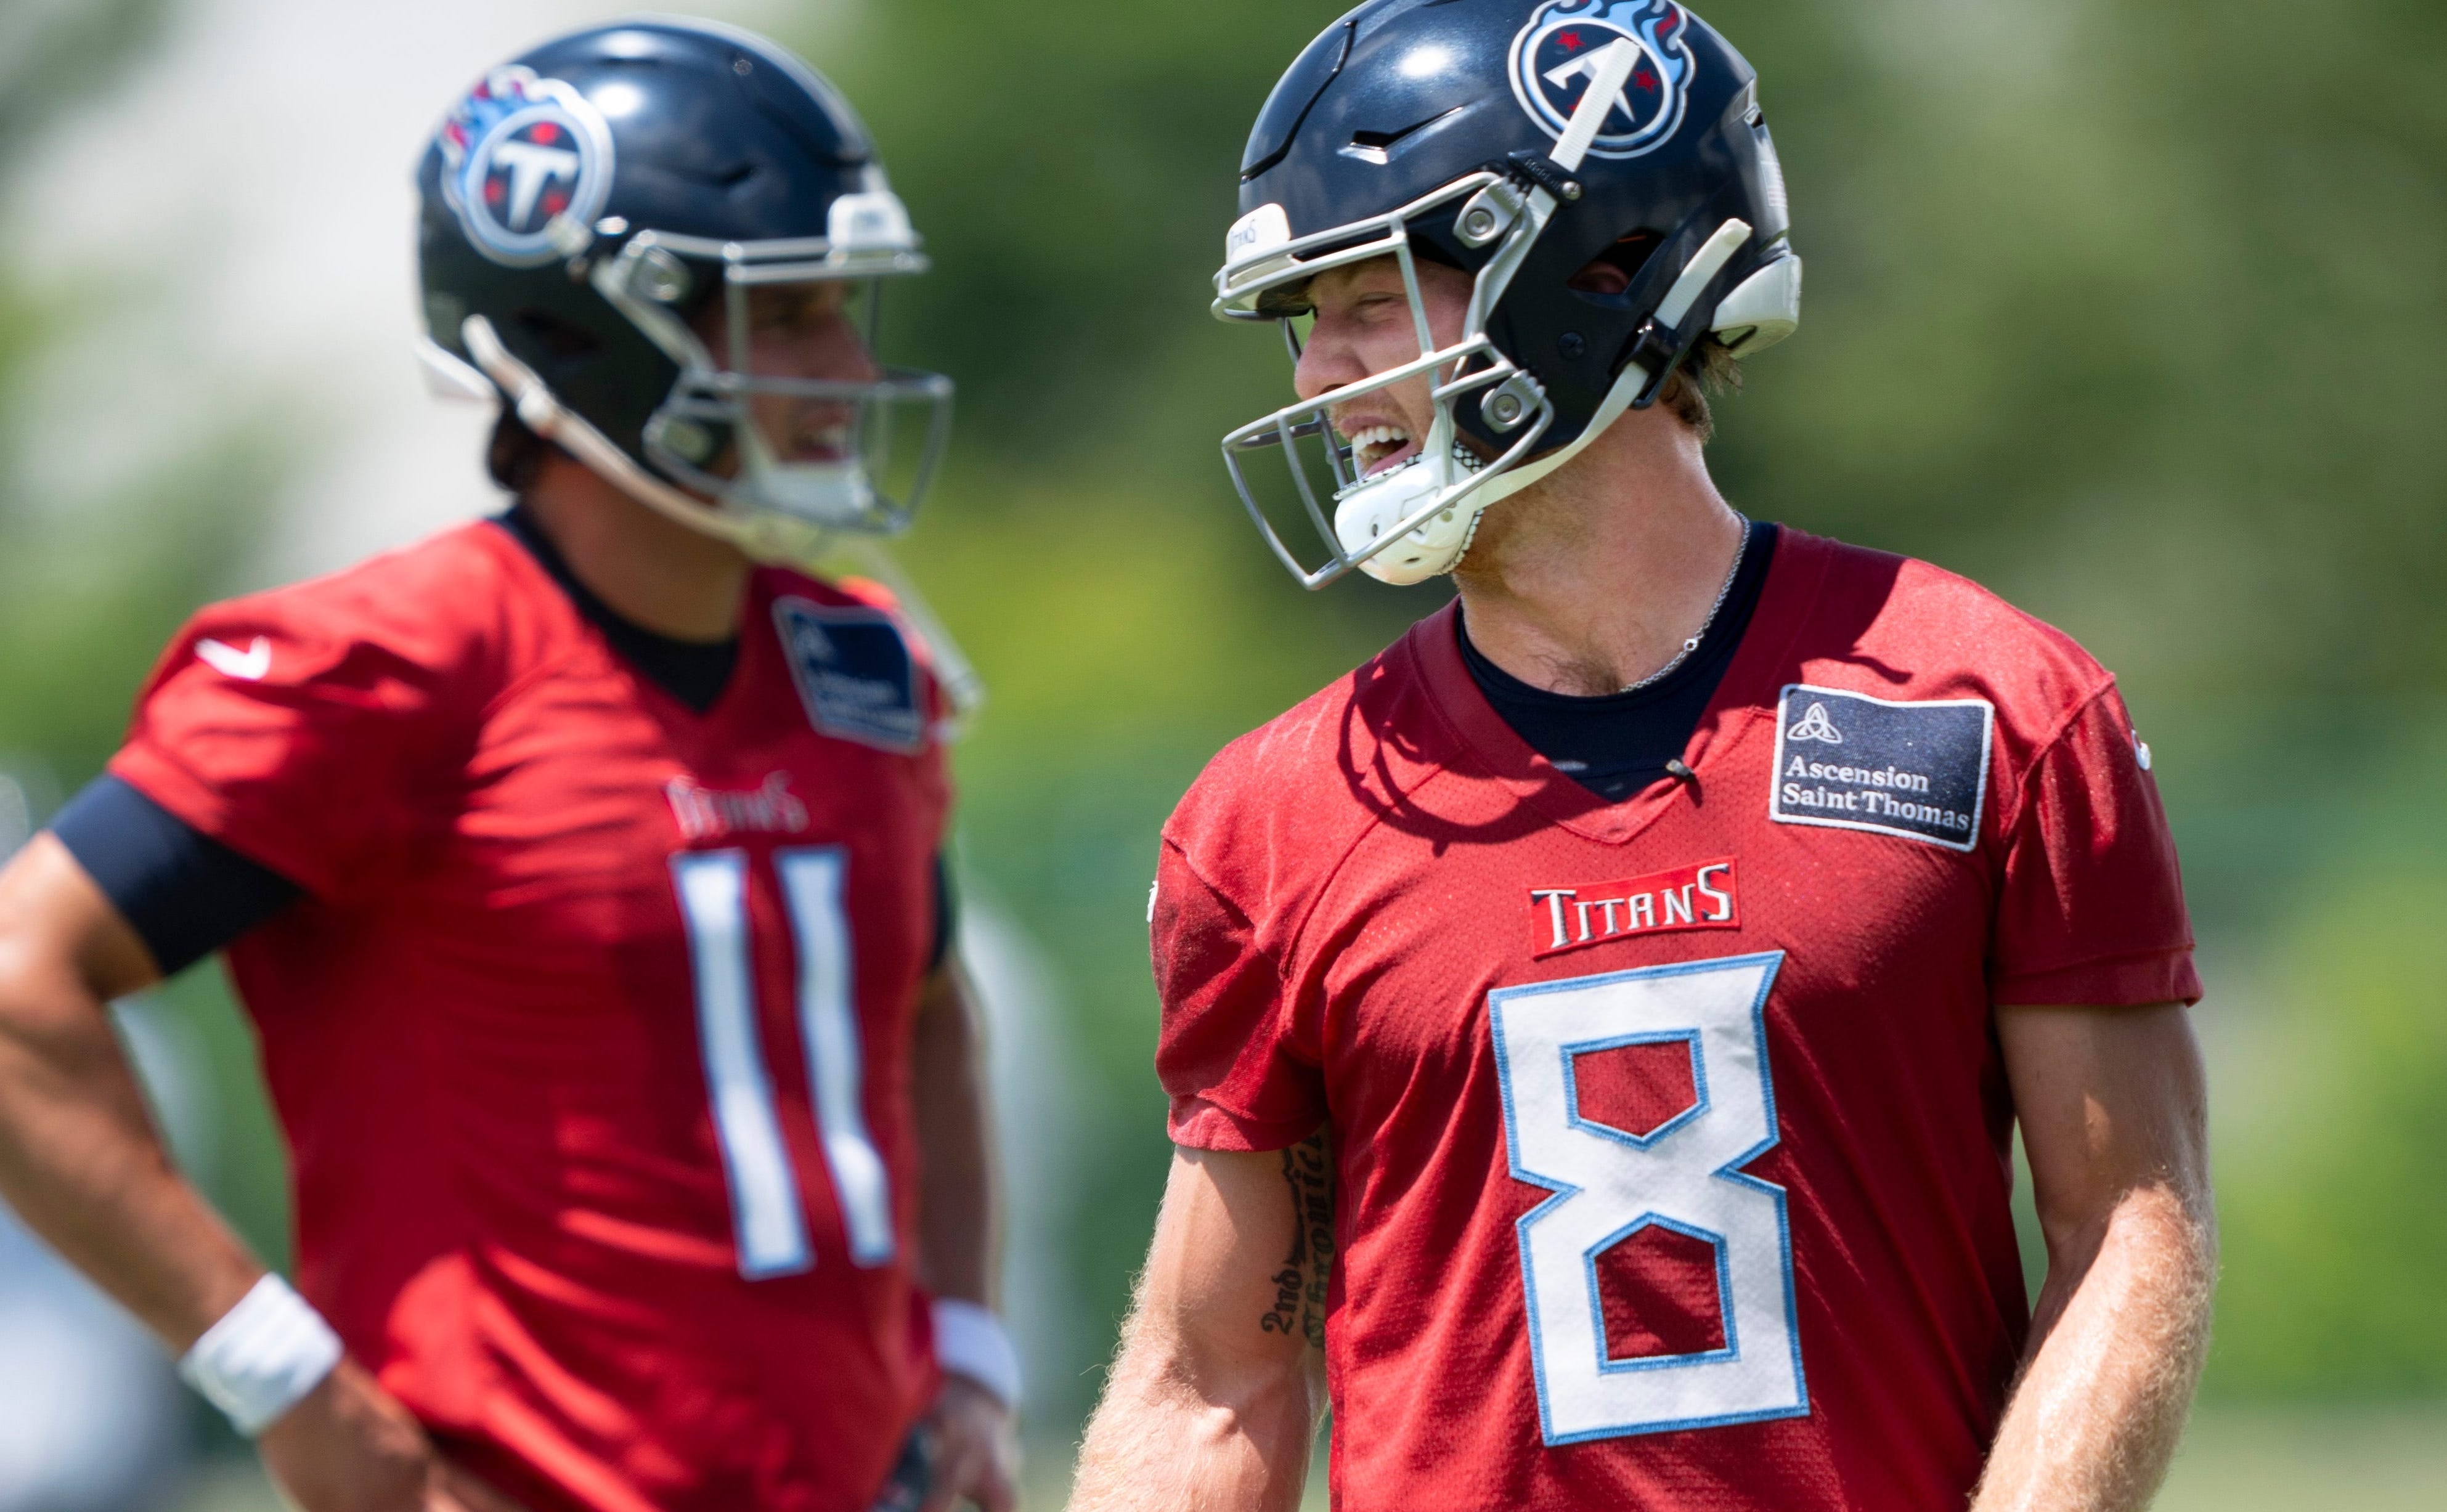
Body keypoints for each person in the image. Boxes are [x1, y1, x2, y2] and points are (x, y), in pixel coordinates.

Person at [1070, 2, 2213, 1510]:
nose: (1316, 380)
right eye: (1308, 320)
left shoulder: (1992, 704)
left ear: (1593, 277)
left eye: (1365, 298)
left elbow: (2131, 1219)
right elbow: (1214, 1374)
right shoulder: (1273, 818)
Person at [0, 20, 1019, 1512]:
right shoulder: (396, 661)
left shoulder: (854, 660)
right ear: (581, 332)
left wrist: (972, 1354)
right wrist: (275, 1372)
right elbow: (20, 993)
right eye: (786, 313)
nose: (847, 365)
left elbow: (928, 1014)